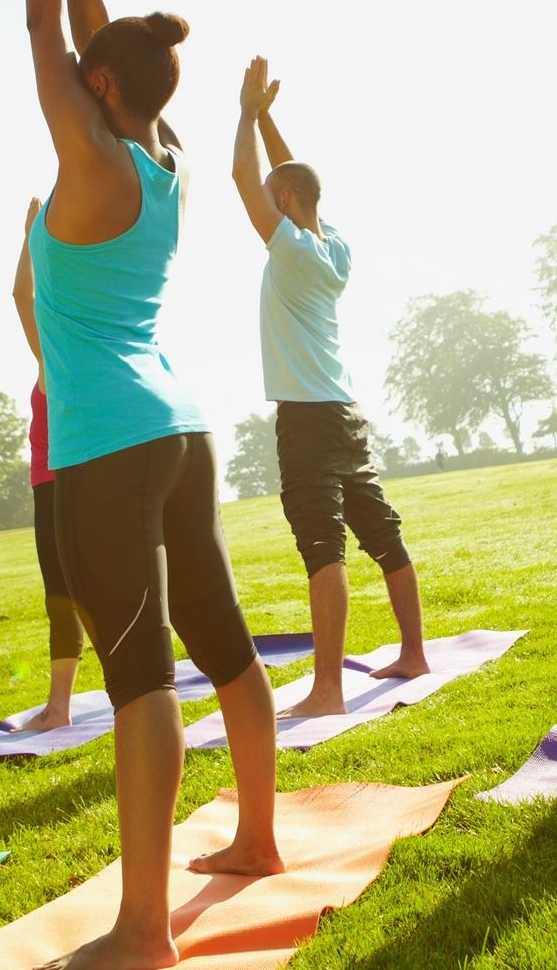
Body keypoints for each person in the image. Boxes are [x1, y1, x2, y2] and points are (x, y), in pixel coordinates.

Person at [25, 0, 282, 970]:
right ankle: (260, 840)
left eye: (90, 68)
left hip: (108, 441)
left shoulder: (89, 156)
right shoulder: (160, 150)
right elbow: (91, 32)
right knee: (219, 634)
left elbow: (47, 27)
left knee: (137, 674)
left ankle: (142, 930)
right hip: (180, 425)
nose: (75, 68)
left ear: (102, 86)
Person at [229, 56, 428, 717]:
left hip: (308, 417)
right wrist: (266, 117)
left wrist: (242, 113)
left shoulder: (287, 249)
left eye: (273, 193)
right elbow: (293, 181)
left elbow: (244, 176)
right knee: (379, 528)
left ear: (282, 202)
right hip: (344, 410)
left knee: (322, 543)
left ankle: (327, 690)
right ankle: (413, 651)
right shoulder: (333, 245)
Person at [12, 194, 84, 731]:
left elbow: (20, 293)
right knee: (80, 594)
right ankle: (125, 690)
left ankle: (60, 708)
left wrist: (32, 232)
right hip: (78, 482)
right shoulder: (73, 353)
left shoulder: (55, 357)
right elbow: (24, 296)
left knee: (64, 595)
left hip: (58, 487)